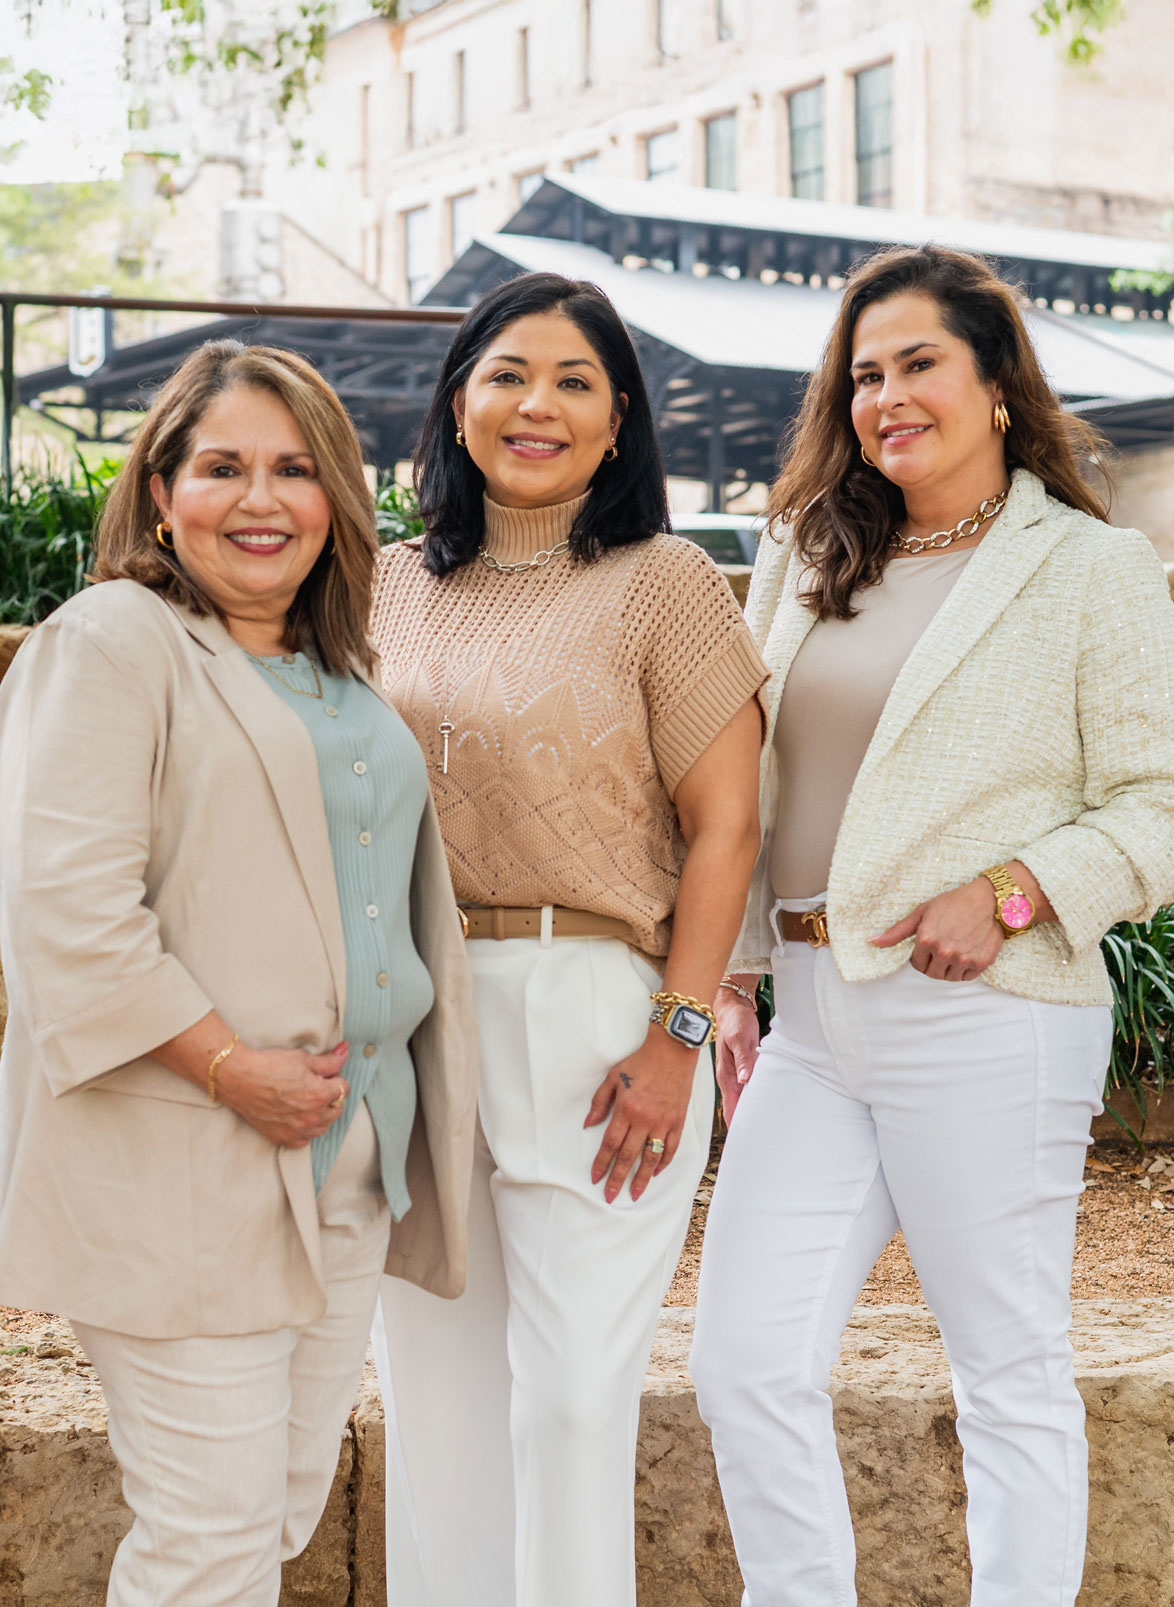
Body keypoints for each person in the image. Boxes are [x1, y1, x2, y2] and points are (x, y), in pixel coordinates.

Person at [690, 246, 1174, 1606]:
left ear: (997, 384)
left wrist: (1014, 889)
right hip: (810, 1023)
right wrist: (741, 976)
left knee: (1005, 1365)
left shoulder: (1089, 566)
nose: (887, 395)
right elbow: (749, 784)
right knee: (742, 1358)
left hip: (987, 1018)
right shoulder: (805, 554)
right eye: (865, 373)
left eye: (920, 362)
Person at [0, 341, 478, 1607]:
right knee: (210, 1540)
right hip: (186, 1160)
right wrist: (230, 1067)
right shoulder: (113, 641)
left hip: (345, 1165)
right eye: (222, 466)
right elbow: (70, 914)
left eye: (296, 468)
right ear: (159, 492)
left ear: (337, 499)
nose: (261, 498)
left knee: (277, 1514)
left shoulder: (340, 673)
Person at [368, 270, 767, 1606]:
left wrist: (681, 1030)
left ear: (617, 423)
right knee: (433, 1398)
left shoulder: (667, 583)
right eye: (508, 374)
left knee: (573, 1402)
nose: (537, 403)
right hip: (417, 1007)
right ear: (458, 402)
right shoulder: (378, 586)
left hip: (599, 1010)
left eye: (575, 381)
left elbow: (727, 828)